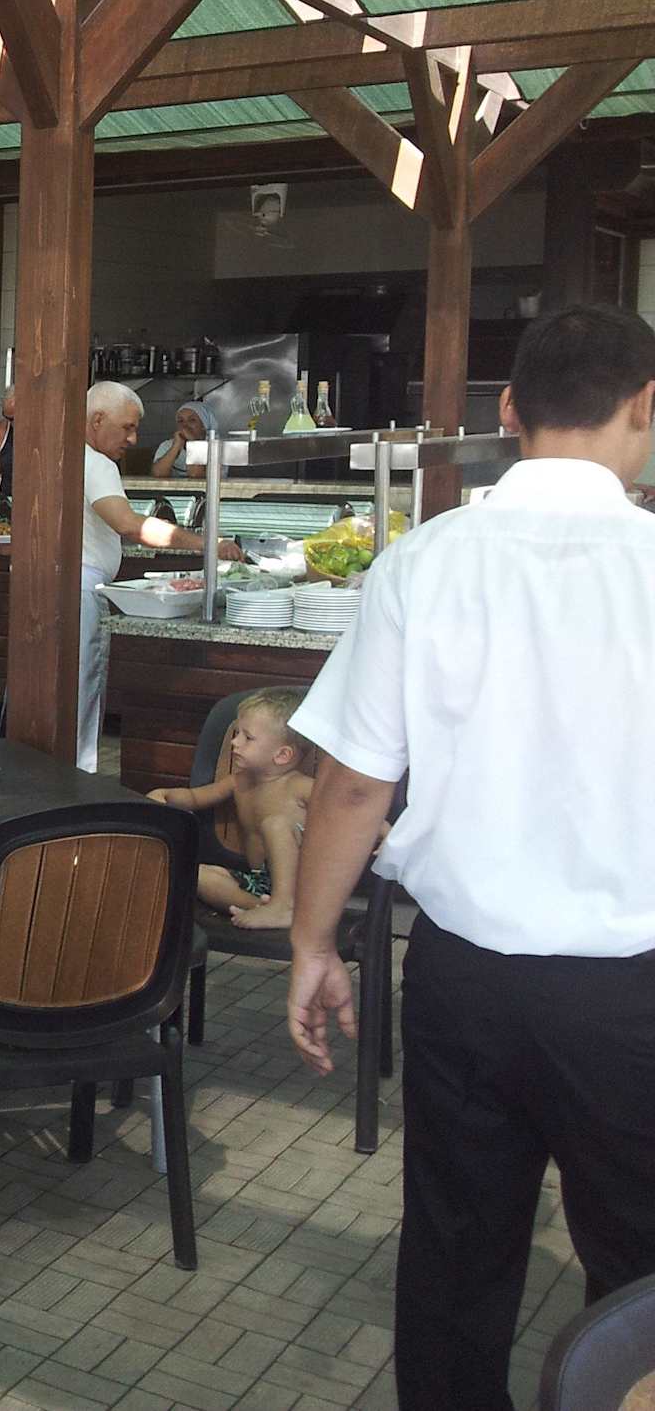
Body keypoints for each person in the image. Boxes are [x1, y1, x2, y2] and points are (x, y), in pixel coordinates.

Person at [284, 304, 655, 1411]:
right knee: (643, 1272)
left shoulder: (425, 562)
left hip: (464, 980)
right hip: (632, 994)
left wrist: (312, 943)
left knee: (457, 1250)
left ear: (509, 409)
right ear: (646, 408)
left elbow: (355, 784)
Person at [78, 381, 241, 771]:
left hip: (56, 583)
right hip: (80, 588)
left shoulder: (63, 453)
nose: (133, 439)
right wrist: (206, 544)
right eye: (127, 427)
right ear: (97, 420)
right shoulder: (96, 462)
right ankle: (74, 780)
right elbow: (128, 524)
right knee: (79, 692)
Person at [149, 687, 313, 928]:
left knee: (275, 823)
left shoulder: (302, 787)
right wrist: (165, 795)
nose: (235, 742)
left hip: (302, 886)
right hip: (258, 881)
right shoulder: (239, 781)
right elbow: (195, 797)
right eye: (237, 734)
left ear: (282, 755)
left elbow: (344, 814)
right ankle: (264, 908)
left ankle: (285, 905)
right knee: (198, 875)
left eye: (248, 738)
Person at [150, 403, 210, 480]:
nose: (185, 425)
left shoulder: (212, 447)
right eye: (180, 421)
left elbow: (195, 474)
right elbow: (158, 474)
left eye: (192, 420)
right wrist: (176, 446)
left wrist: (193, 442)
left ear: (204, 425)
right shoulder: (167, 445)